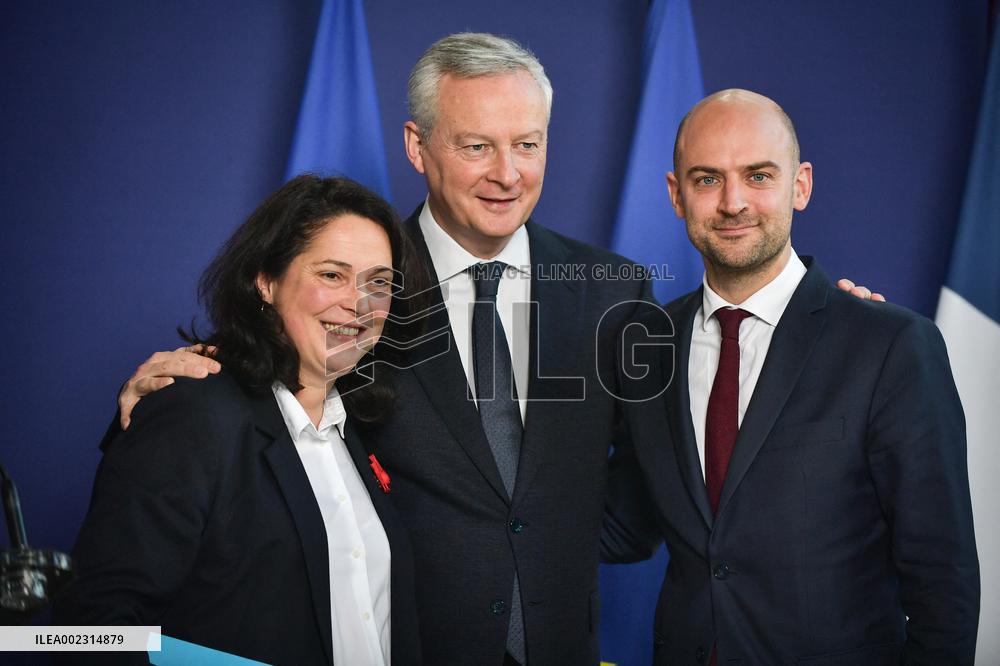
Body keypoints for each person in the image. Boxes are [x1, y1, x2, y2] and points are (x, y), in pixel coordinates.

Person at [113, 38, 882, 665]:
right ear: (418, 146)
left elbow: (672, 456)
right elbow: (264, 424)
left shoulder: (615, 292)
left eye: (527, 144)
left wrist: (811, 323)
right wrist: (182, 384)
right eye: (477, 145)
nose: (506, 173)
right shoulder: (360, 291)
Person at [608, 89, 980, 665]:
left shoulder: (889, 346)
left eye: (758, 176)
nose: (733, 202)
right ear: (675, 194)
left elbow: (942, 577)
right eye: (707, 179)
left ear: (799, 185)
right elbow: (626, 524)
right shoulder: (649, 346)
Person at [55, 175, 424, 665]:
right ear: (265, 281)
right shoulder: (195, 414)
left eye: (377, 283)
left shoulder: (361, 430)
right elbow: (89, 631)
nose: (358, 305)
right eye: (331, 275)